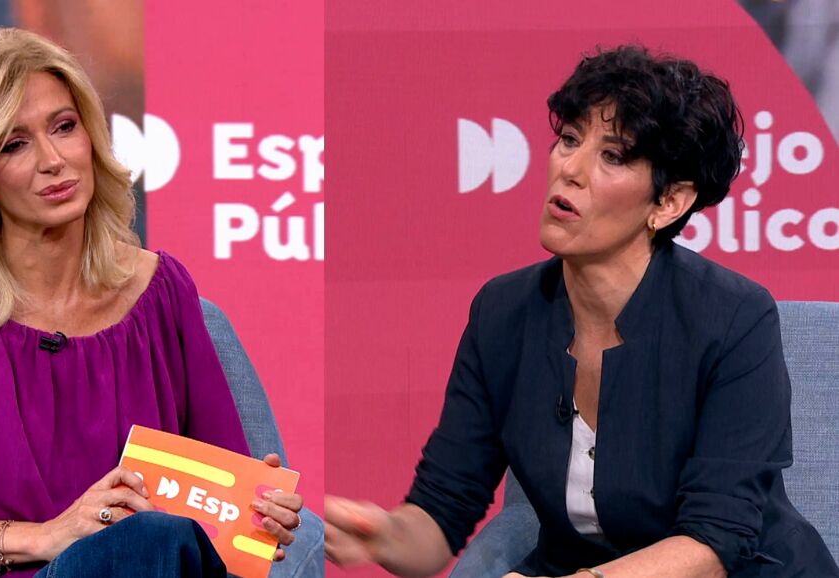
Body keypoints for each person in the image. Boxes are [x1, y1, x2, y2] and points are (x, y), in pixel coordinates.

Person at [325, 46, 839, 578]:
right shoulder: (502, 314)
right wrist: (383, 535)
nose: (569, 168)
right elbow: (440, 519)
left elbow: (714, 544)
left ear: (668, 202)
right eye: (570, 140)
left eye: (612, 156)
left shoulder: (734, 319)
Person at [0, 28, 303, 577]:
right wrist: (48, 536)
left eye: (64, 127)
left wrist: (257, 517)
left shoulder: (162, 294)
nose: (54, 159)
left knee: (154, 542)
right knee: (147, 541)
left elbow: (218, 520)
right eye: (14, 144)